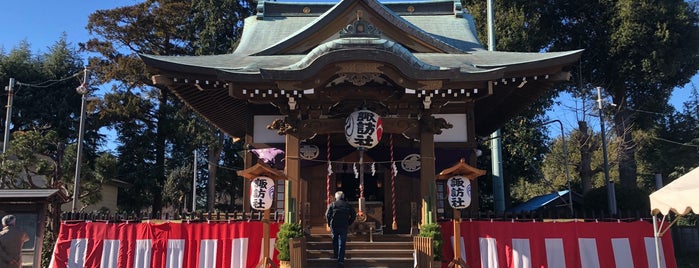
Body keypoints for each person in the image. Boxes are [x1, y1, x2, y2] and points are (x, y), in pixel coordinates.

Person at [325, 191, 356, 268]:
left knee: (335, 239)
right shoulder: (347, 205)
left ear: (336, 197)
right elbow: (354, 215)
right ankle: (341, 260)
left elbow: (327, 215)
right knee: (342, 243)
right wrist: (349, 222)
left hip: (334, 225)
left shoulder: (332, 204)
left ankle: (336, 255)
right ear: (343, 197)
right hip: (344, 225)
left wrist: (329, 223)